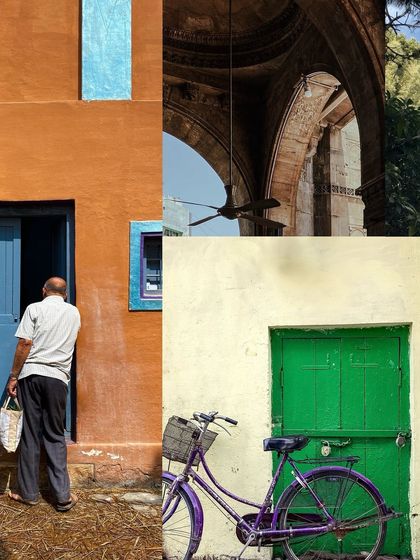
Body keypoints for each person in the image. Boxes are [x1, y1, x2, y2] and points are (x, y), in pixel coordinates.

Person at [6, 277, 81, 511]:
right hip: (58, 378)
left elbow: (25, 343)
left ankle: (28, 493)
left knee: (30, 434)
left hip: (32, 375)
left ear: (43, 291)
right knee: (55, 435)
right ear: (65, 294)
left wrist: (13, 376)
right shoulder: (74, 313)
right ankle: (62, 497)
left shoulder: (34, 308)